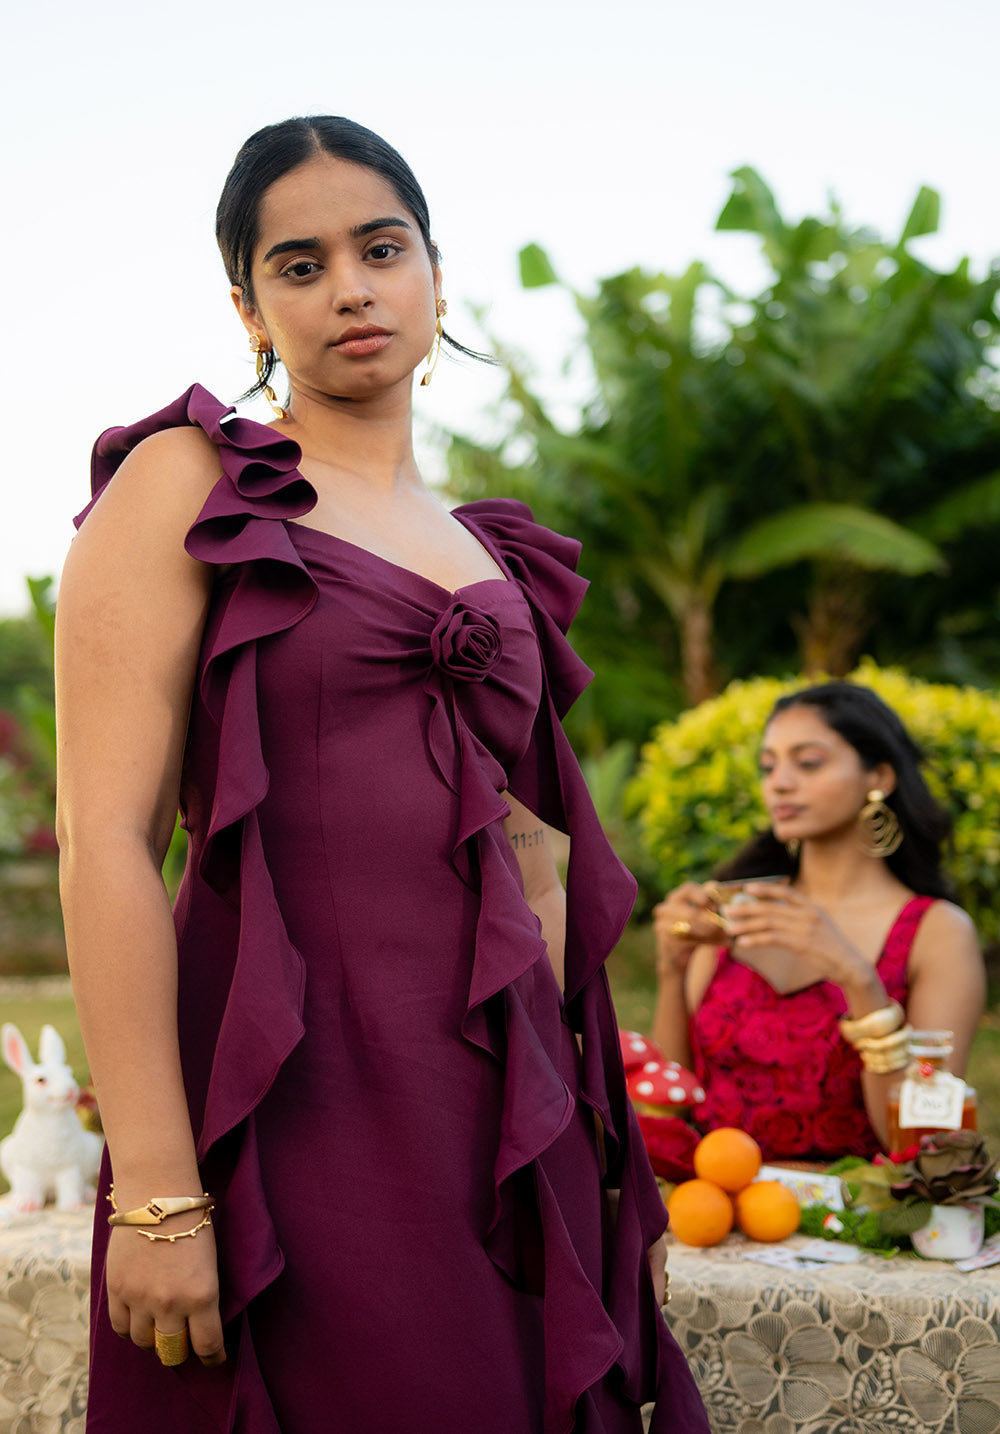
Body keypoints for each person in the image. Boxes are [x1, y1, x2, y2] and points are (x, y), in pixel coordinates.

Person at [55, 117, 709, 1434]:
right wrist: (163, 1191)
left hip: (495, 1106)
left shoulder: (488, 548)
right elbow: (103, 839)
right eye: (299, 264)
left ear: (436, 277)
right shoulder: (188, 483)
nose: (350, 286)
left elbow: (534, 857)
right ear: (247, 306)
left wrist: (586, 1146)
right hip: (293, 1099)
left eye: (381, 247)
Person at [651, 682, 985, 1162]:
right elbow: (669, 1105)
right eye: (769, 767)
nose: (780, 782)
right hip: (713, 1214)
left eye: (808, 763)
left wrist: (857, 978)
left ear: (880, 778)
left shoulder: (936, 933)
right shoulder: (735, 911)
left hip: (854, 1225)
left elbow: (921, 1148)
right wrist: (671, 971)